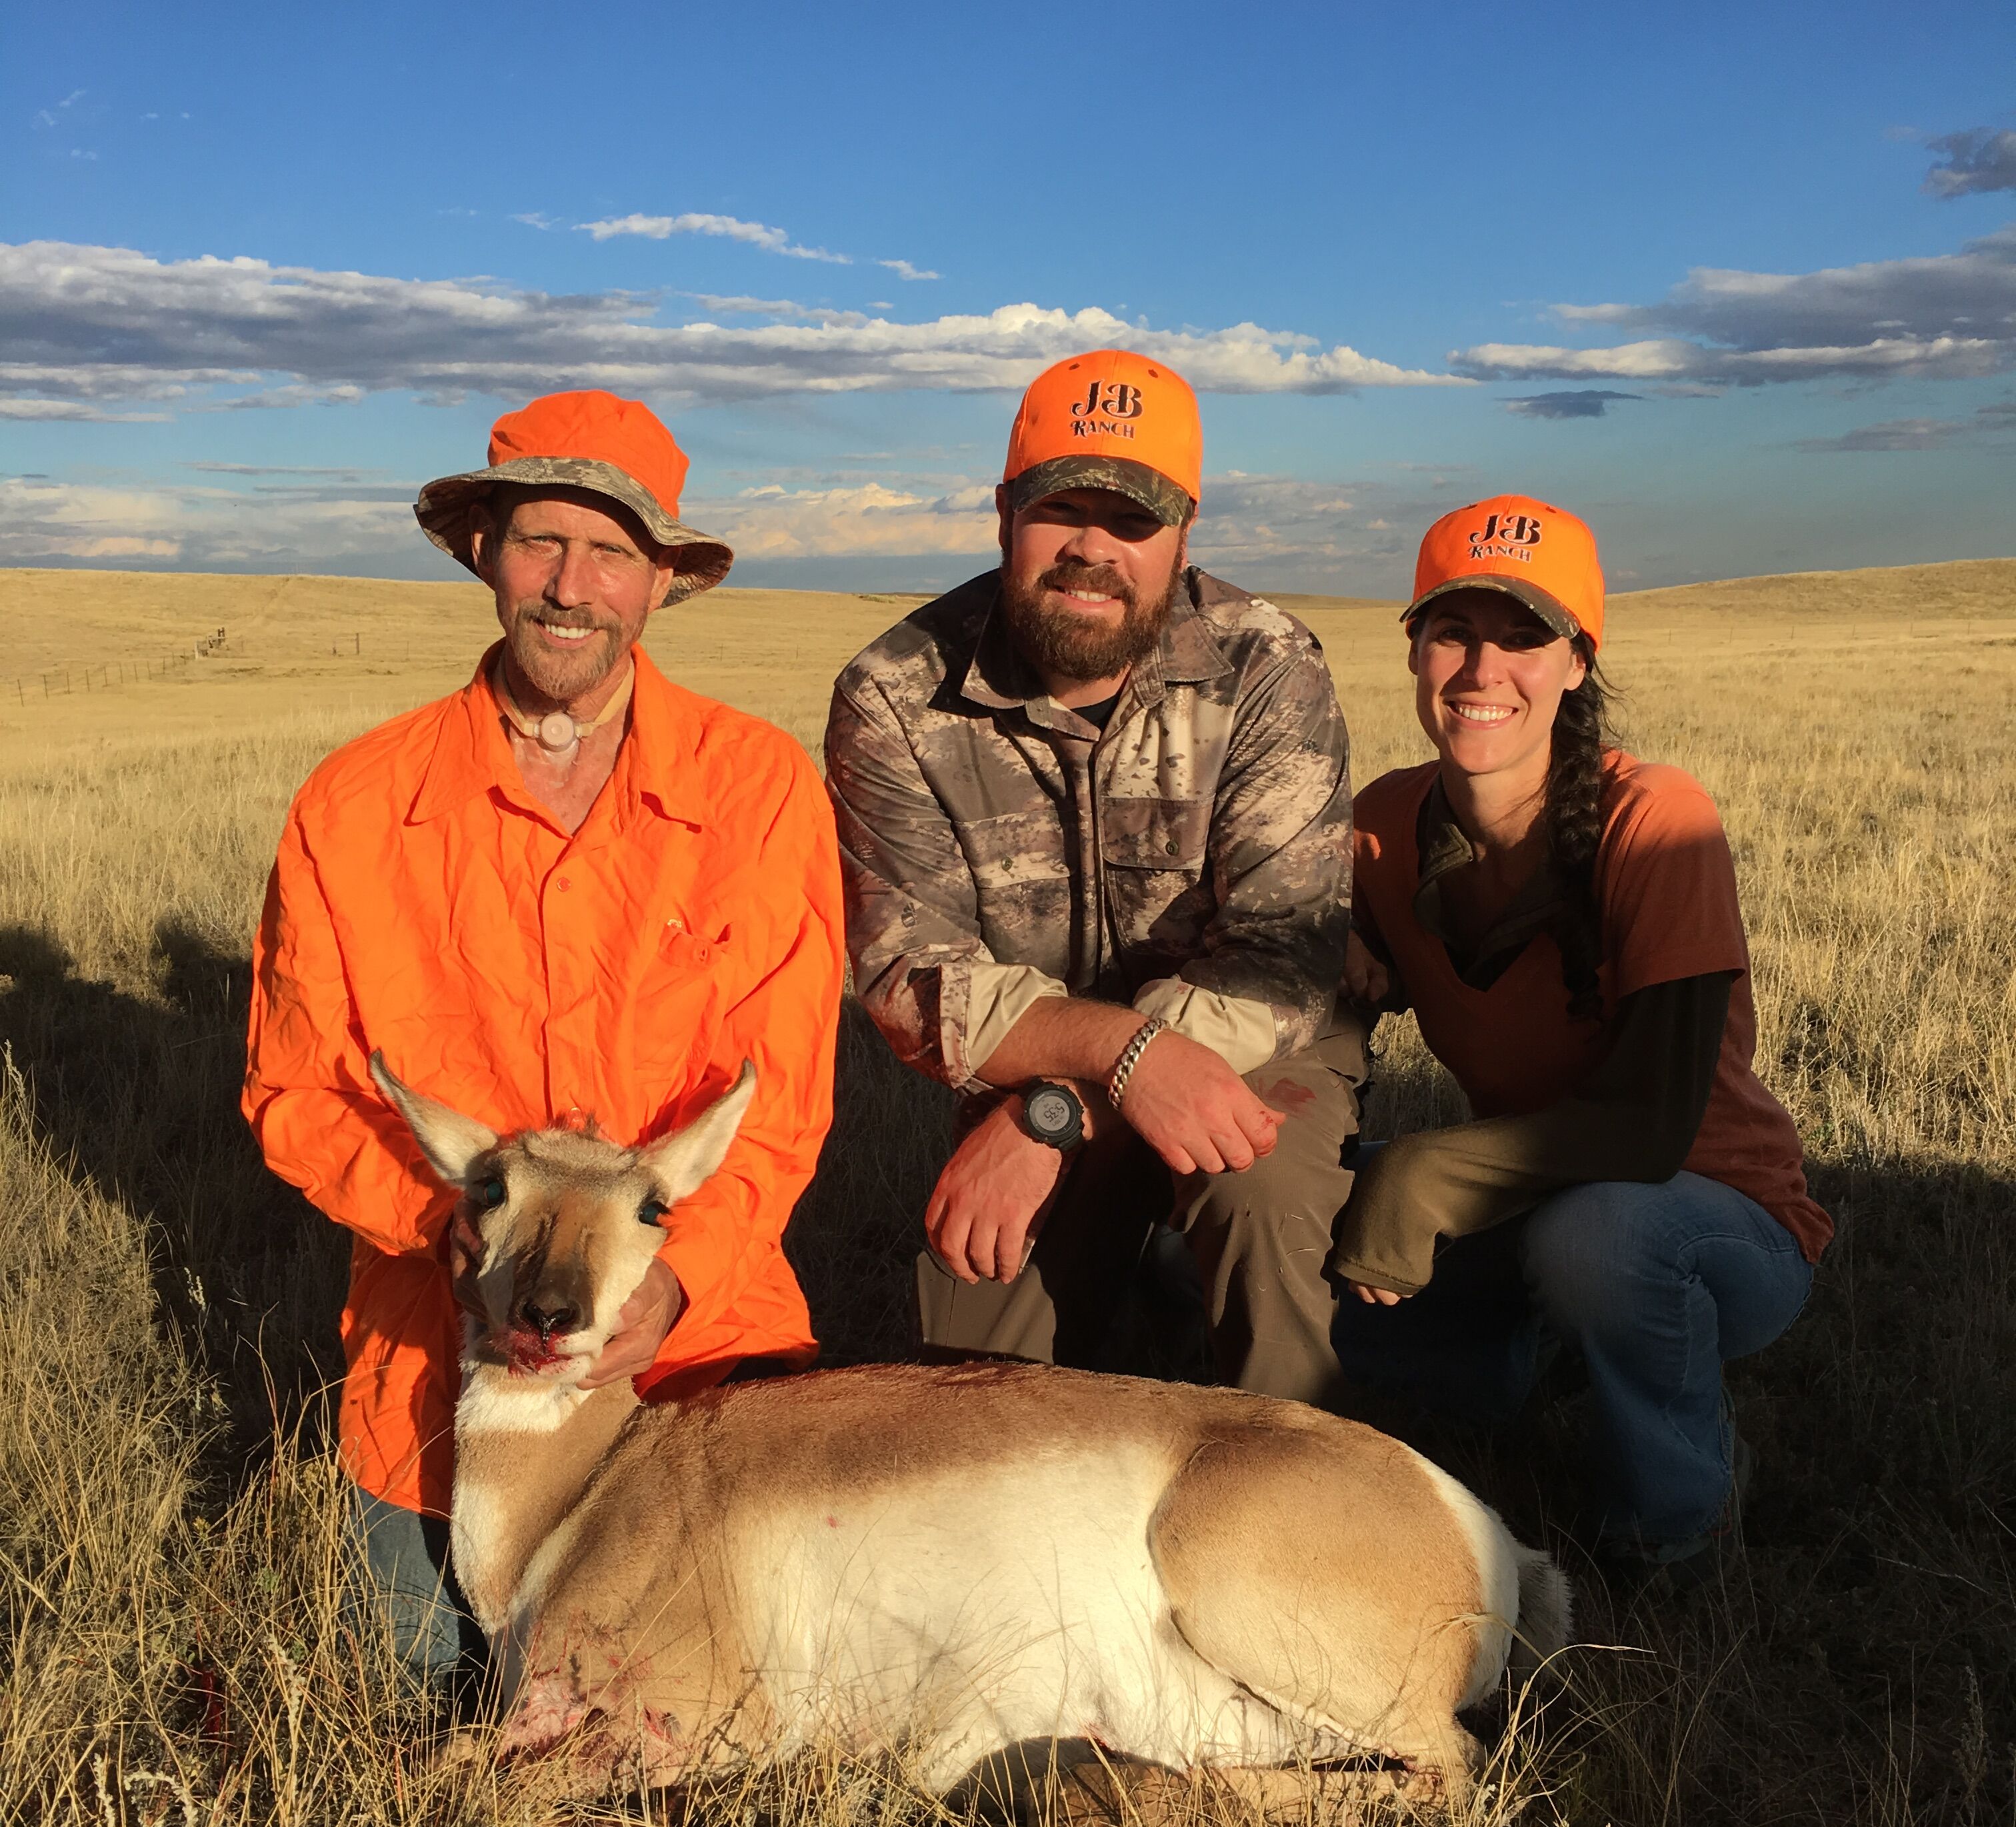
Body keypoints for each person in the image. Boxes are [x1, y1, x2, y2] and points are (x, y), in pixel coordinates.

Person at [243, 390, 845, 1692]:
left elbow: (781, 1100)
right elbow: (292, 1091)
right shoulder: (353, 811)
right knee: (417, 1693)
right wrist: (434, 1217)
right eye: (540, 543)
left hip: (696, 1360)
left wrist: (678, 1285)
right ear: (484, 554)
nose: (572, 587)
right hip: (434, 1389)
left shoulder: (759, 793)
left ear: (662, 582)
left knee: (732, 1725)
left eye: (613, 551)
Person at [825, 349, 1365, 1396]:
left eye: (1132, 522)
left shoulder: (1267, 665)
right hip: (1039, 1075)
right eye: (1059, 509)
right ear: (1002, 513)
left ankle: (1300, 1485)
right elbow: (909, 979)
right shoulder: (894, 694)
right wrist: (1114, 1060)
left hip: (1249, 1051)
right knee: (971, 1342)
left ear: (1183, 538)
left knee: (1257, 1188)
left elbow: (1283, 963)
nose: (1091, 550)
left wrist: (1073, 1099)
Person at [1329, 495, 1831, 1585]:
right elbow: (1311, 1005)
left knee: (1597, 1240)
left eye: (1523, 637)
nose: (1482, 669)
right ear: (1413, 648)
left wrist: (1421, 1174)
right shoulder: (1379, 826)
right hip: (1523, 1204)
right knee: (1251, 1231)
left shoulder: (1656, 818)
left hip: (1715, 1220)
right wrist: (1337, 964)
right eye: (1454, 631)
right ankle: (1511, 1368)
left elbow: (1654, 1126)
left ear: (1575, 663)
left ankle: (1677, 1526)